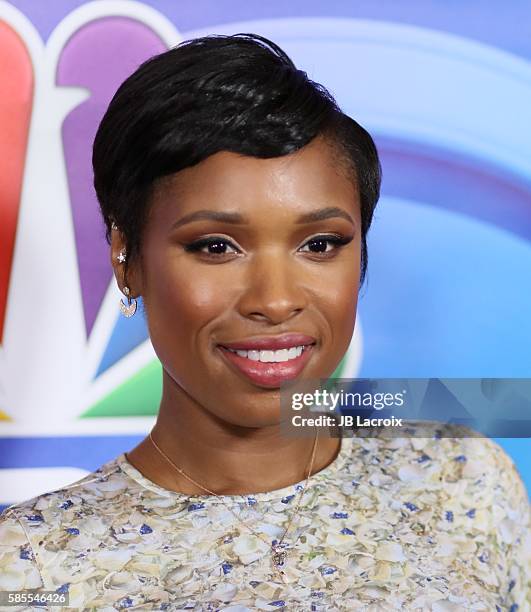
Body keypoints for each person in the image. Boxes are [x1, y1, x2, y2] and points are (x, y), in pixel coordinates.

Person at [0, 33, 529, 611]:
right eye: (217, 246)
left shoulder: (461, 481)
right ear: (127, 259)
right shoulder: (32, 564)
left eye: (320, 243)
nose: (275, 301)